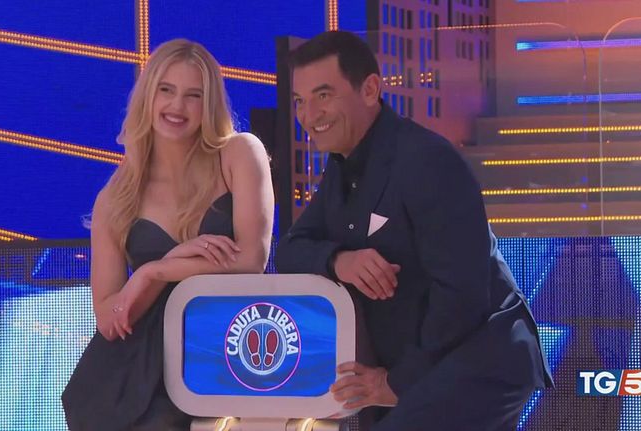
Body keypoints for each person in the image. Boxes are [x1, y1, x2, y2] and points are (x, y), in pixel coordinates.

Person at [275, 31, 553, 431]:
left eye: (323, 95)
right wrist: (340, 260)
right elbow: (290, 250)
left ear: (370, 89)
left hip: (477, 361)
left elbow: (462, 294)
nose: (308, 115)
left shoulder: (426, 160)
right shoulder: (341, 168)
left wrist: (397, 383)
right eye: (300, 101)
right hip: (419, 368)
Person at [62, 39, 275, 430]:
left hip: (228, 354)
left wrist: (159, 270)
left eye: (194, 95)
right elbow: (110, 321)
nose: (177, 106)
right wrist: (153, 274)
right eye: (166, 90)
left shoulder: (239, 154)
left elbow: (251, 261)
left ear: (209, 104)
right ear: (148, 95)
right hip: (138, 380)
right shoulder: (116, 197)